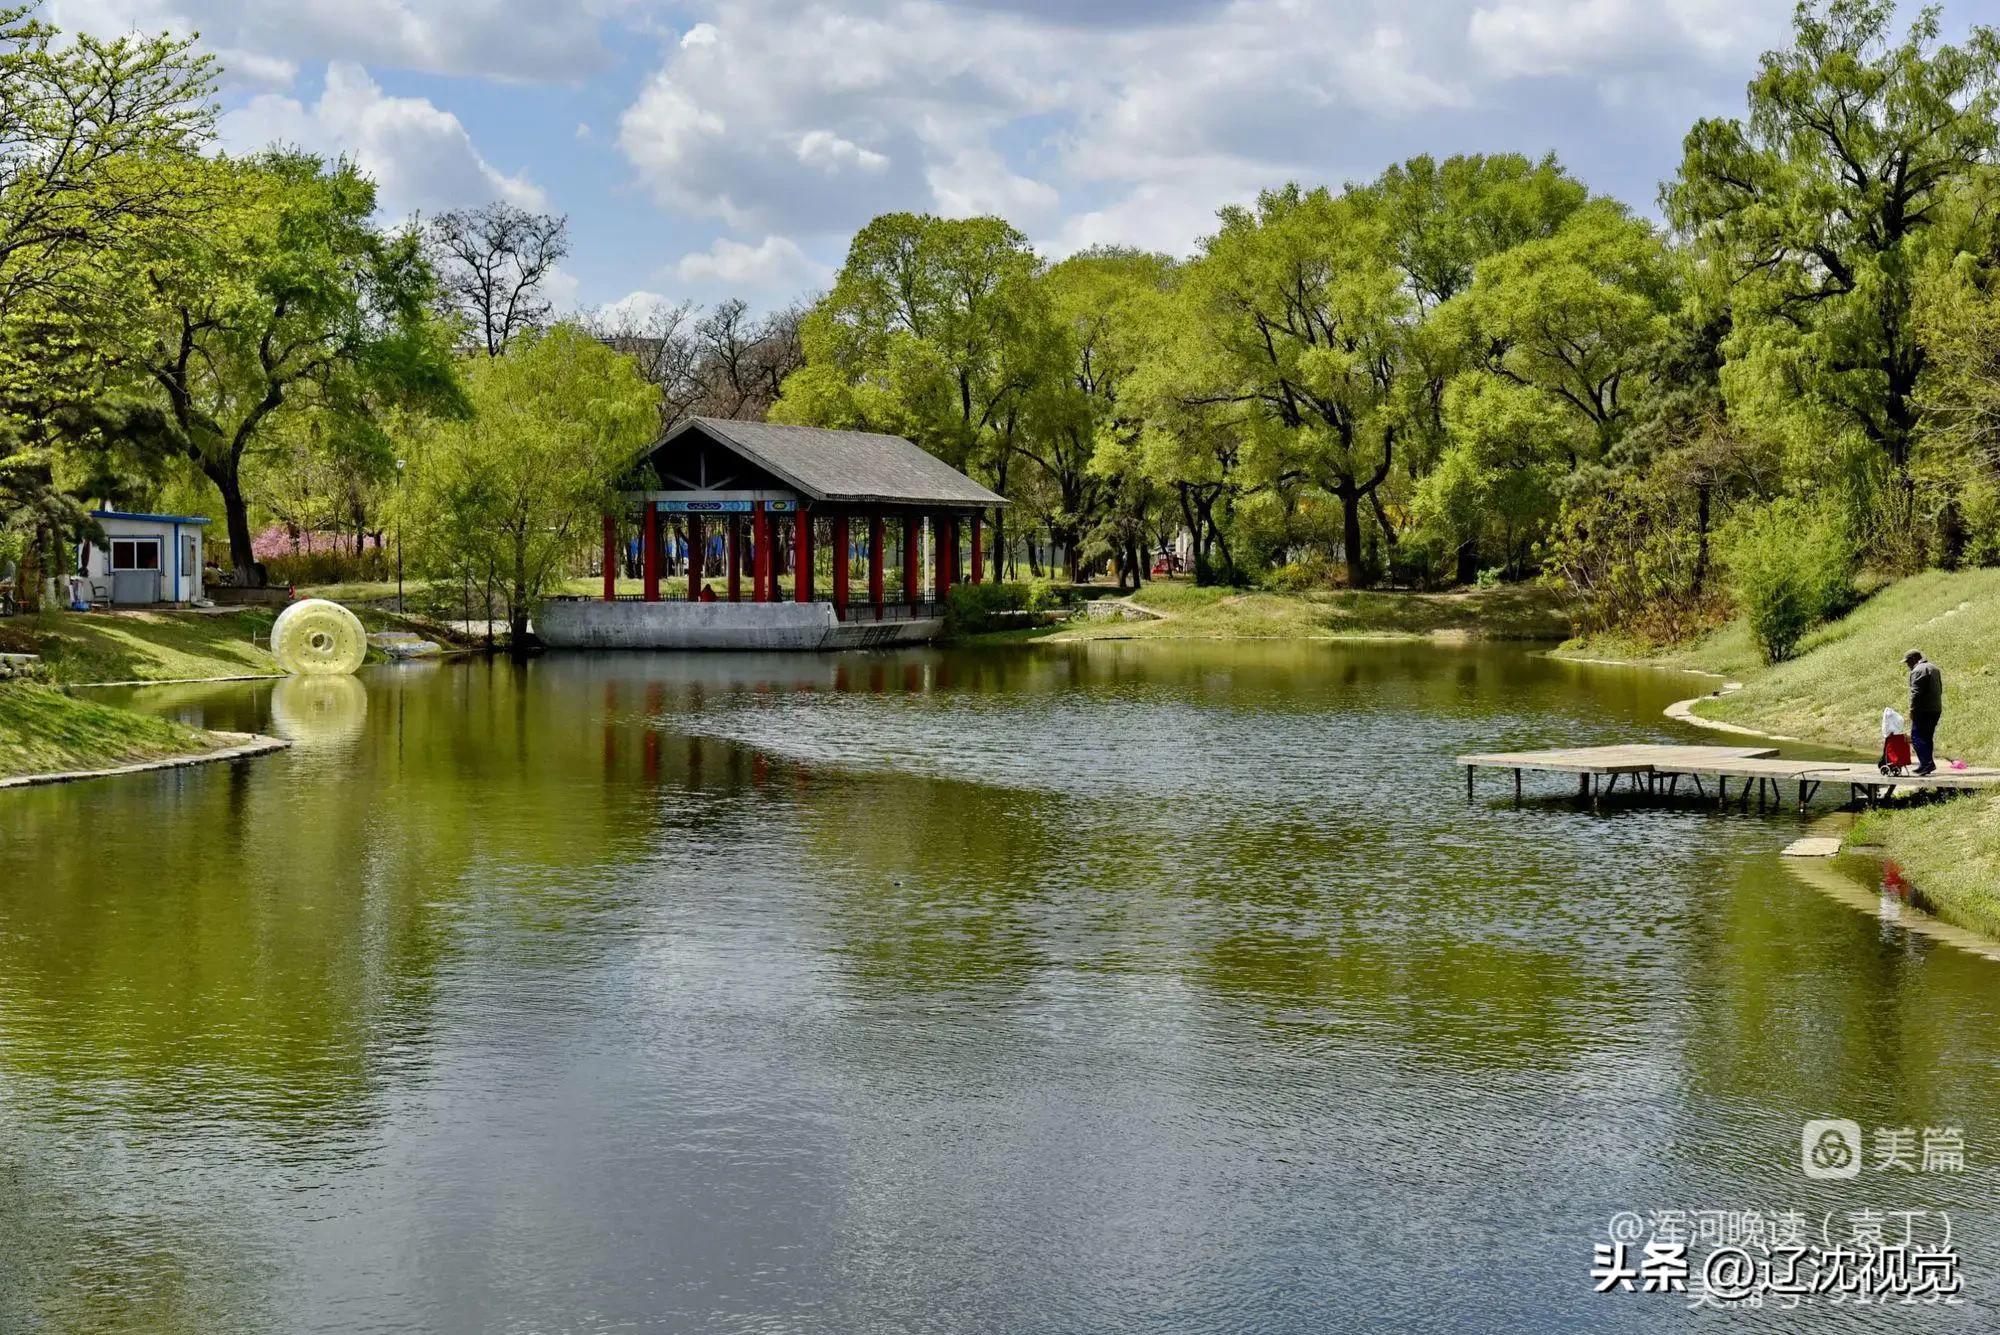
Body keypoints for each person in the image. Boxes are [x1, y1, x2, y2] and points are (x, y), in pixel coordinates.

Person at [1904, 649, 1944, 776]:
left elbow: (1916, 693)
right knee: (1927, 737)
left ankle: (1927, 764)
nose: (1908, 665)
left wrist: (1912, 710)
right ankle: (1925, 764)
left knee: (1916, 737)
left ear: (1914, 658)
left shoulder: (1918, 670)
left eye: (1908, 661)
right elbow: (1940, 688)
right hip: (1936, 708)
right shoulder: (1934, 668)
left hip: (1923, 710)